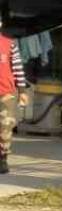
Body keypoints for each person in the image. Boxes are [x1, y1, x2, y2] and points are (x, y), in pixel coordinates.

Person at [0, 24, 29, 175]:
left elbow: (18, 68)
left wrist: (22, 91)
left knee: (5, 126)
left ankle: (2, 158)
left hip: (6, 93)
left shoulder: (9, 44)